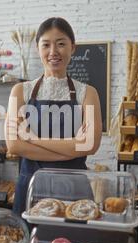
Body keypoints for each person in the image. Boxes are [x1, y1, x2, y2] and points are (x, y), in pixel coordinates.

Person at [5, 17, 102, 215]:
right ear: (37, 48)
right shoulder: (20, 91)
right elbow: (14, 145)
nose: (53, 52)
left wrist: (33, 139)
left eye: (61, 44)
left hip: (74, 190)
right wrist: (73, 146)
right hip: (31, 188)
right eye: (46, 45)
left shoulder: (88, 93)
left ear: (73, 48)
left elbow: (90, 145)